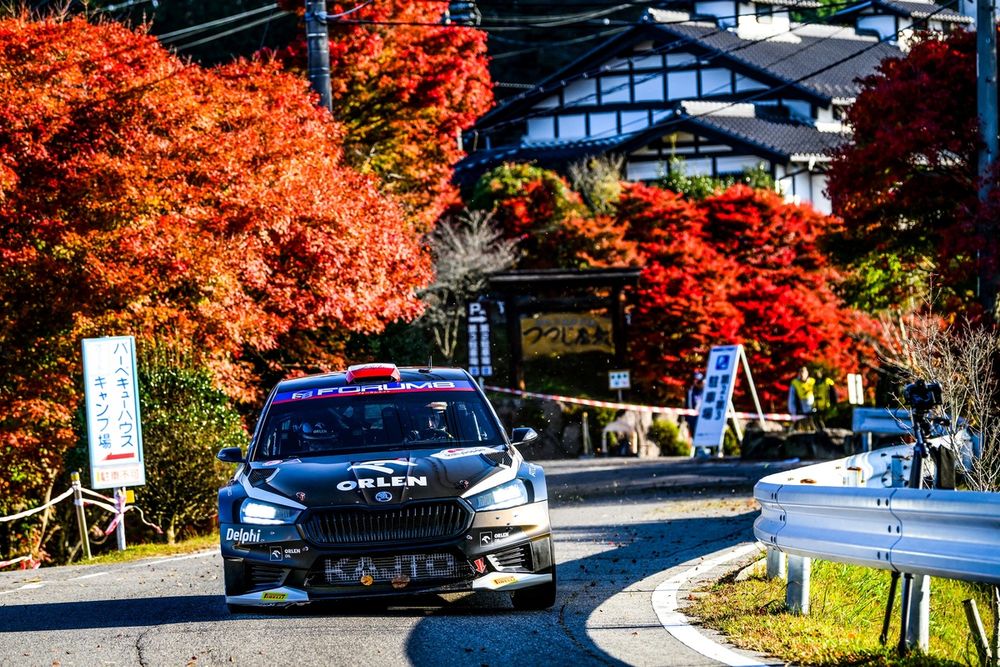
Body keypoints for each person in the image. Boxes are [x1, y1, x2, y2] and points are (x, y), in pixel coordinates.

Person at [685, 371, 705, 435]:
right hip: (692, 420)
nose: (696, 382)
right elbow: (688, 404)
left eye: (698, 380)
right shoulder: (691, 391)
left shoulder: (705, 392)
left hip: (702, 420)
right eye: (695, 380)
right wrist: (687, 418)